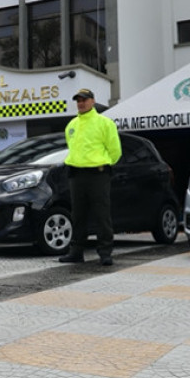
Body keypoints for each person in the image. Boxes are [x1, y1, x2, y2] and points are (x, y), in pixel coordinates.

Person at [60, 88, 122, 265]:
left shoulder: (104, 123)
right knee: (78, 215)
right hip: (76, 175)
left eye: (84, 100)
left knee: (101, 214)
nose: (81, 103)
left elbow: (115, 150)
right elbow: (71, 148)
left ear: (93, 101)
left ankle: (105, 253)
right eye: (78, 100)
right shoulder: (71, 125)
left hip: (98, 174)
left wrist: (104, 163)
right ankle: (76, 252)